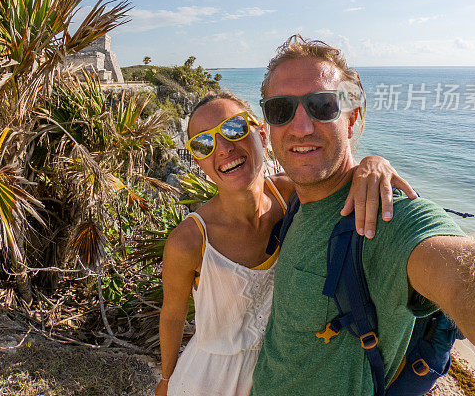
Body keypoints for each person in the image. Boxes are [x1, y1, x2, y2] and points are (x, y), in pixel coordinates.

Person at [250, 35, 475, 396]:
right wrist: (373, 161)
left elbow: (471, 277)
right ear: (268, 125)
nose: (300, 127)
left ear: (352, 119)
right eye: (281, 109)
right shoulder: (295, 197)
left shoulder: (386, 219)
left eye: (322, 105)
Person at [157, 91, 416, 396]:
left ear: (262, 133)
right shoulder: (189, 240)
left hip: (284, 373)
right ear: (198, 160)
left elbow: (338, 174)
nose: (223, 149)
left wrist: (374, 163)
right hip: (209, 381)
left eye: (234, 128)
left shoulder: (290, 194)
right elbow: (172, 314)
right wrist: (165, 380)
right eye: (203, 144)